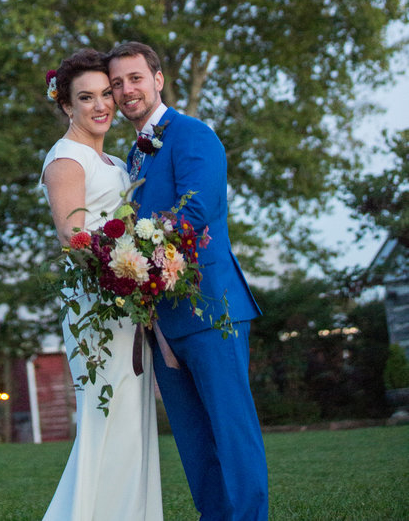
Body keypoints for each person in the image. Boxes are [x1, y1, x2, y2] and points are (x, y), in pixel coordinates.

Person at [107, 40, 268, 521]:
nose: (126, 90)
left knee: (230, 430)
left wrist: (129, 250)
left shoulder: (193, 134)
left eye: (135, 78)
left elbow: (195, 212)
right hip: (163, 320)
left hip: (209, 309)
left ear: (157, 79)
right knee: (194, 441)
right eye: (117, 84)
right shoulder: (134, 158)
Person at [40, 47, 163, 521]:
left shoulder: (112, 158)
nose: (101, 105)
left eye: (106, 94)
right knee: (107, 417)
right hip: (96, 303)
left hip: (125, 301)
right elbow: (74, 236)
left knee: (132, 421)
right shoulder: (67, 159)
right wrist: (131, 267)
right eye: (85, 97)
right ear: (67, 106)